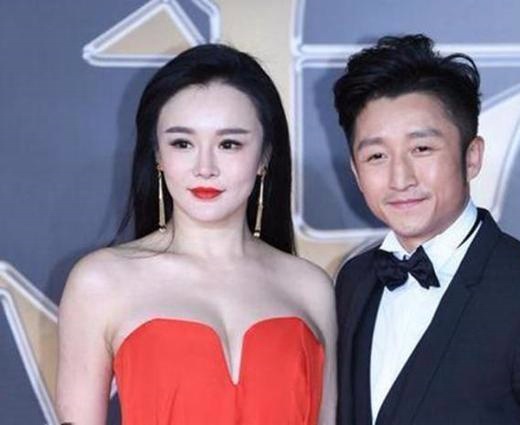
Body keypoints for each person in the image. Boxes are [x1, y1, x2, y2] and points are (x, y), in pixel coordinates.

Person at [332, 34, 520, 425]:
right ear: (355, 171)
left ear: (472, 156)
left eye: (422, 149)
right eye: (376, 156)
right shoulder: (354, 281)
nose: (400, 178)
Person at [55, 44, 336, 425]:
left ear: (265, 156)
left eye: (229, 144)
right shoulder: (100, 282)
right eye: (182, 143)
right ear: (157, 154)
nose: (205, 168)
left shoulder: (310, 287)